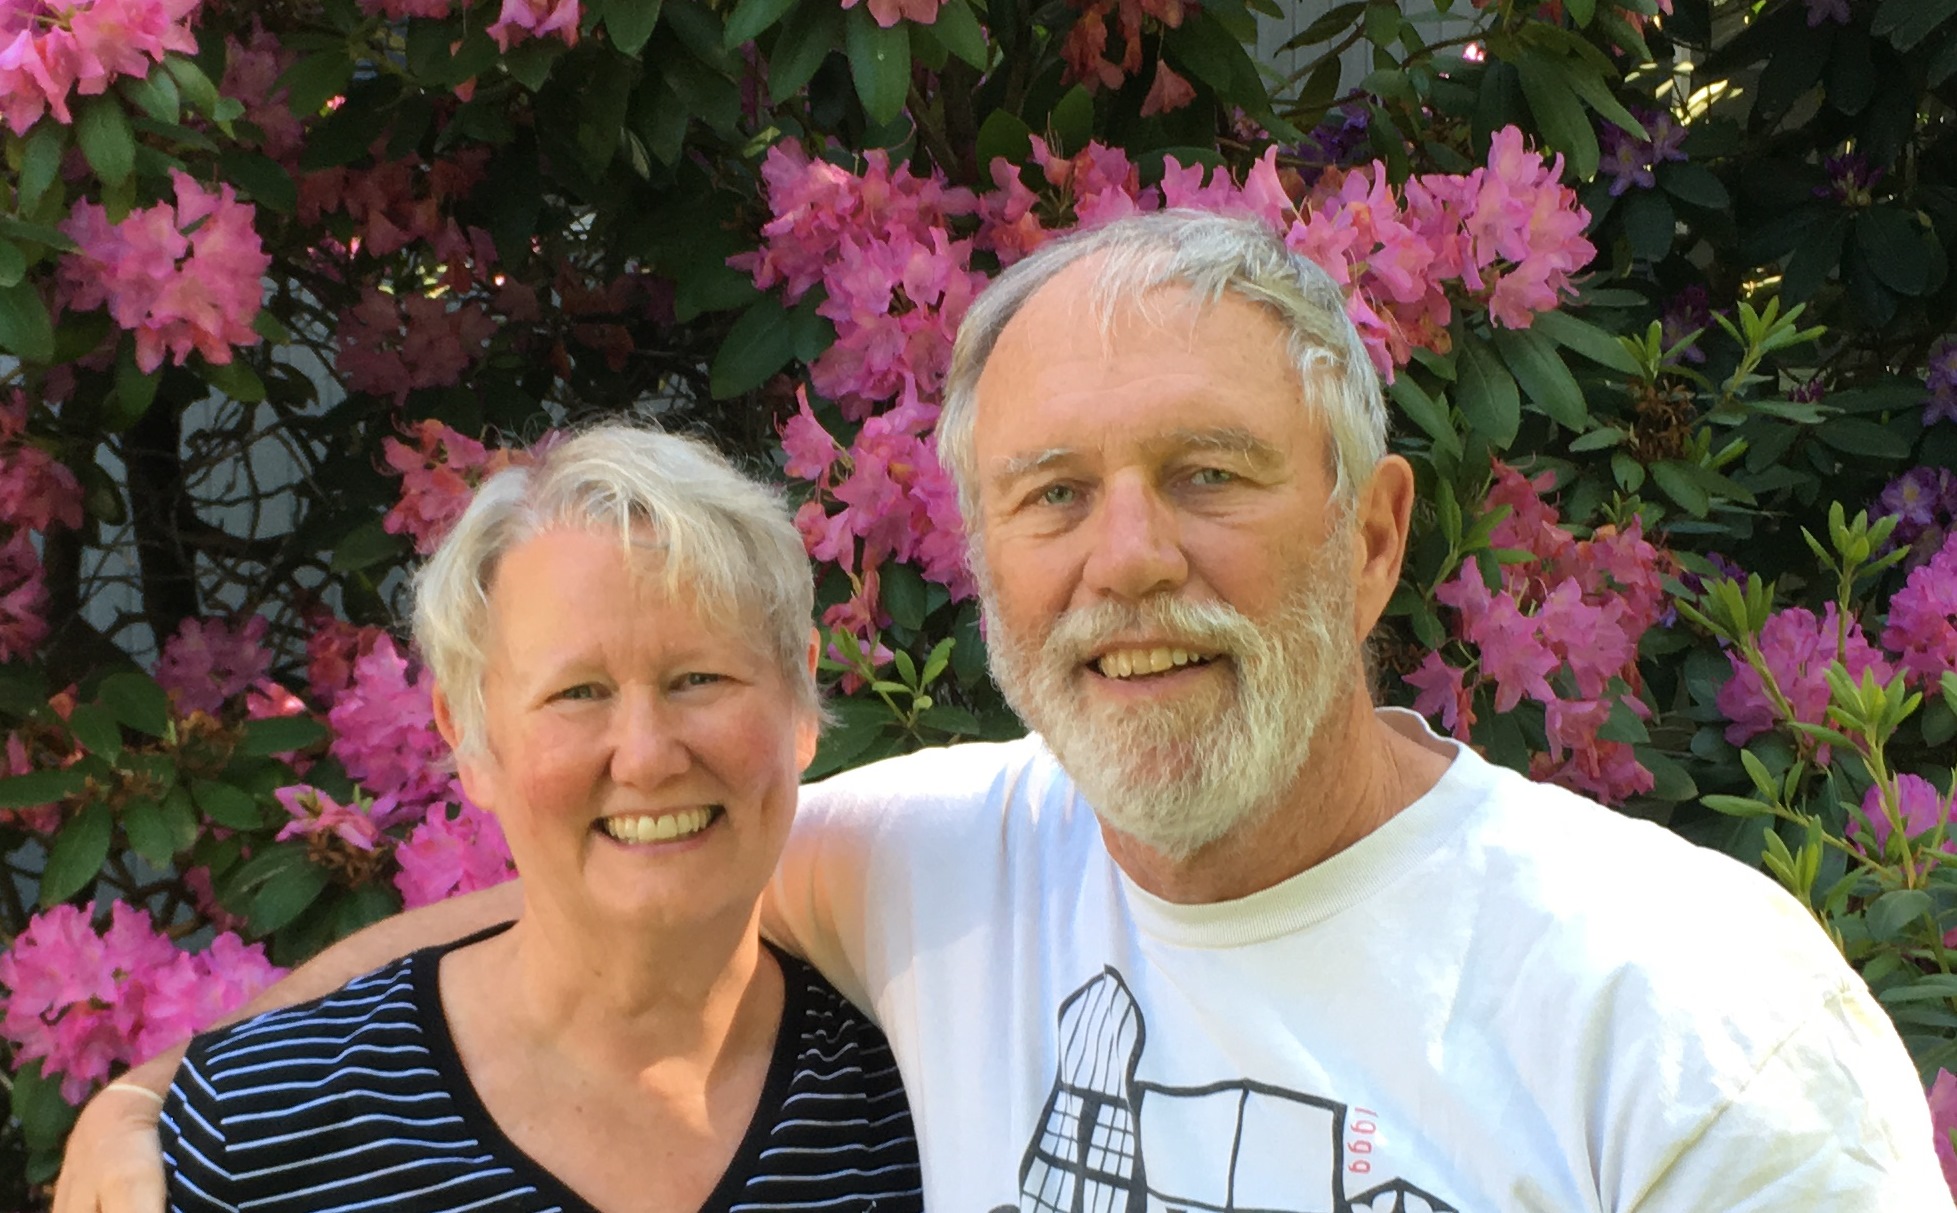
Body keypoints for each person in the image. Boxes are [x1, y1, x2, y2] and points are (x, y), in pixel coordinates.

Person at [60, 211, 1952, 1212]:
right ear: (983, 553)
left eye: (1209, 472)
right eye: (1052, 495)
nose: (1124, 560)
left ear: (1373, 536)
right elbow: (601, 882)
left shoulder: (1685, 1002)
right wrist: (160, 1099)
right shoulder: (952, 854)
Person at [150, 428, 923, 1212]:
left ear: (798, 700)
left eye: (699, 677)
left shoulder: (927, 1099)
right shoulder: (253, 1132)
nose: (646, 757)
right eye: (578, 692)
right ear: (469, 737)